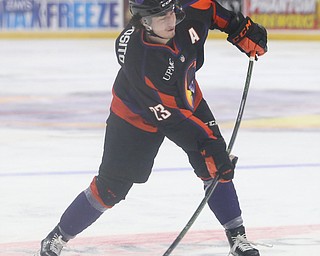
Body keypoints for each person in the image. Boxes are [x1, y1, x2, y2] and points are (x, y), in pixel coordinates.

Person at [35, 0, 267, 255]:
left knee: (212, 165)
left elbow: (211, 9)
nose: (171, 21)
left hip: (186, 95)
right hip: (135, 116)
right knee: (111, 189)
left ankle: (237, 237)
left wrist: (240, 28)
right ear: (144, 22)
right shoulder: (140, 60)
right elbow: (173, 120)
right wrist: (209, 144)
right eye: (161, 18)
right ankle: (57, 236)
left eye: (171, 13)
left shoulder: (188, 14)